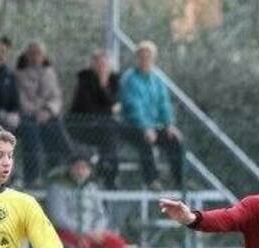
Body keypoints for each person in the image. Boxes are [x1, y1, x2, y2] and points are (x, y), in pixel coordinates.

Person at [47, 155, 128, 248]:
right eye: (77, 167)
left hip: (93, 233)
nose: (80, 171)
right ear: (71, 168)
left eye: (84, 168)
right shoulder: (57, 187)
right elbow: (58, 217)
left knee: (117, 245)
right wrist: (83, 232)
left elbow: (101, 215)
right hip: (68, 232)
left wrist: (96, 231)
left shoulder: (92, 188)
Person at [121, 40, 185, 190]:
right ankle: (152, 180)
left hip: (154, 127)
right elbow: (133, 106)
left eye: (148, 57)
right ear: (137, 58)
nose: (145, 60)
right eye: (142, 57)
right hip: (133, 126)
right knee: (145, 141)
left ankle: (179, 180)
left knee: (175, 140)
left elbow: (164, 104)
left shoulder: (157, 80)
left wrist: (169, 124)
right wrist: (146, 127)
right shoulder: (130, 79)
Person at [15, 41, 77, 184]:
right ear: (26, 56)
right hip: (28, 116)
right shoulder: (19, 75)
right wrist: (36, 111)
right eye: (32, 54)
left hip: (48, 115)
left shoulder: (50, 74)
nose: (35, 57)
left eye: (39, 54)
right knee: (32, 134)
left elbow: (56, 97)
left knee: (57, 128)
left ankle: (66, 165)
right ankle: (33, 176)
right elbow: (21, 99)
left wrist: (48, 110)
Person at [68, 49, 121, 189]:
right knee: (110, 128)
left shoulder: (114, 81)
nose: (101, 68)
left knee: (111, 129)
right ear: (92, 65)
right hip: (84, 125)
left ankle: (108, 168)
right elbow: (88, 107)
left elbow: (114, 102)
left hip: (105, 127)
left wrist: (103, 86)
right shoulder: (84, 80)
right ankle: (107, 168)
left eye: (104, 65)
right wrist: (107, 105)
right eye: (98, 64)